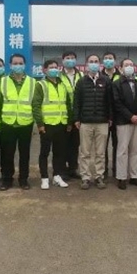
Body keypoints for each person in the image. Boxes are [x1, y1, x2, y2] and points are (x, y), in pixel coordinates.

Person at [73, 54, 113, 190]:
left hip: (102, 122)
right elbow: (77, 102)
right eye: (91, 61)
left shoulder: (106, 81)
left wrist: (110, 117)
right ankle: (85, 177)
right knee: (85, 153)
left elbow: (110, 101)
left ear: (100, 64)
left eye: (96, 61)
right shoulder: (81, 82)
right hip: (86, 122)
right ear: (86, 64)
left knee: (100, 153)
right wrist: (77, 118)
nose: (94, 64)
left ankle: (99, 176)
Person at [0, 53, 36, 191]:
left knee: (24, 154)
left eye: (20, 63)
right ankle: (7, 180)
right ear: (10, 65)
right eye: (15, 63)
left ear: (25, 65)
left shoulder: (33, 82)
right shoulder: (3, 82)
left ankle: (23, 179)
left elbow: (35, 103)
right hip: (7, 123)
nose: (18, 66)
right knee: (7, 154)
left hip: (25, 123)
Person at [32, 60, 71, 190]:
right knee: (45, 152)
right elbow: (36, 105)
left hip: (61, 123)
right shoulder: (40, 85)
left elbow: (67, 104)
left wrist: (69, 122)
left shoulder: (62, 85)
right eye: (51, 67)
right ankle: (44, 178)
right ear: (45, 70)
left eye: (56, 67)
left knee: (59, 152)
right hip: (47, 125)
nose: (54, 69)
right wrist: (40, 123)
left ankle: (57, 176)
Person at [113, 58, 137, 190]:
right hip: (123, 122)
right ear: (120, 68)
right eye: (126, 65)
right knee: (122, 150)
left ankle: (134, 176)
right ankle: (121, 177)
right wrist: (130, 116)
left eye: (131, 65)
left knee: (135, 150)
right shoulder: (117, 84)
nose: (129, 67)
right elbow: (117, 103)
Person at [59, 51, 82, 180]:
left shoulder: (81, 75)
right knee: (63, 144)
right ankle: (62, 170)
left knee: (75, 145)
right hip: (63, 114)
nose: (70, 60)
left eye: (72, 58)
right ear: (63, 61)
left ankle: (73, 169)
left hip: (78, 115)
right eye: (67, 58)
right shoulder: (58, 76)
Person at [102, 51, 121, 179]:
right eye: (106, 58)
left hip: (119, 116)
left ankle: (116, 169)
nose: (108, 60)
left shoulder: (121, 76)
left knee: (117, 144)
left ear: (115, 60)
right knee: (103, 145)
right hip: (103, 116)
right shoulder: (99, 76)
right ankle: (103, 171)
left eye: (110, 58)